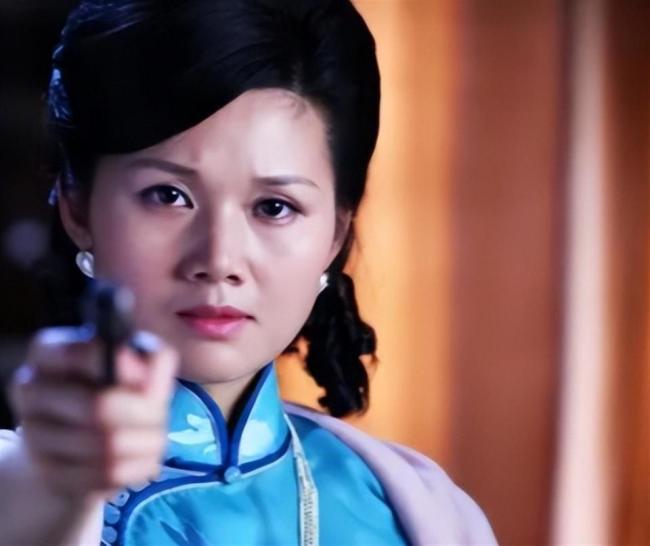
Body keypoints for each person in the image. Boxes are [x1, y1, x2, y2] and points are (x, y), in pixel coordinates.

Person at [0, 1, 498, 544]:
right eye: (168, 195)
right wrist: (52, 485)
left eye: (274, 207)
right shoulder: (28, 492)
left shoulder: (419, 512)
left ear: (335, 233)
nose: (219, 260)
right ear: (77, 208)